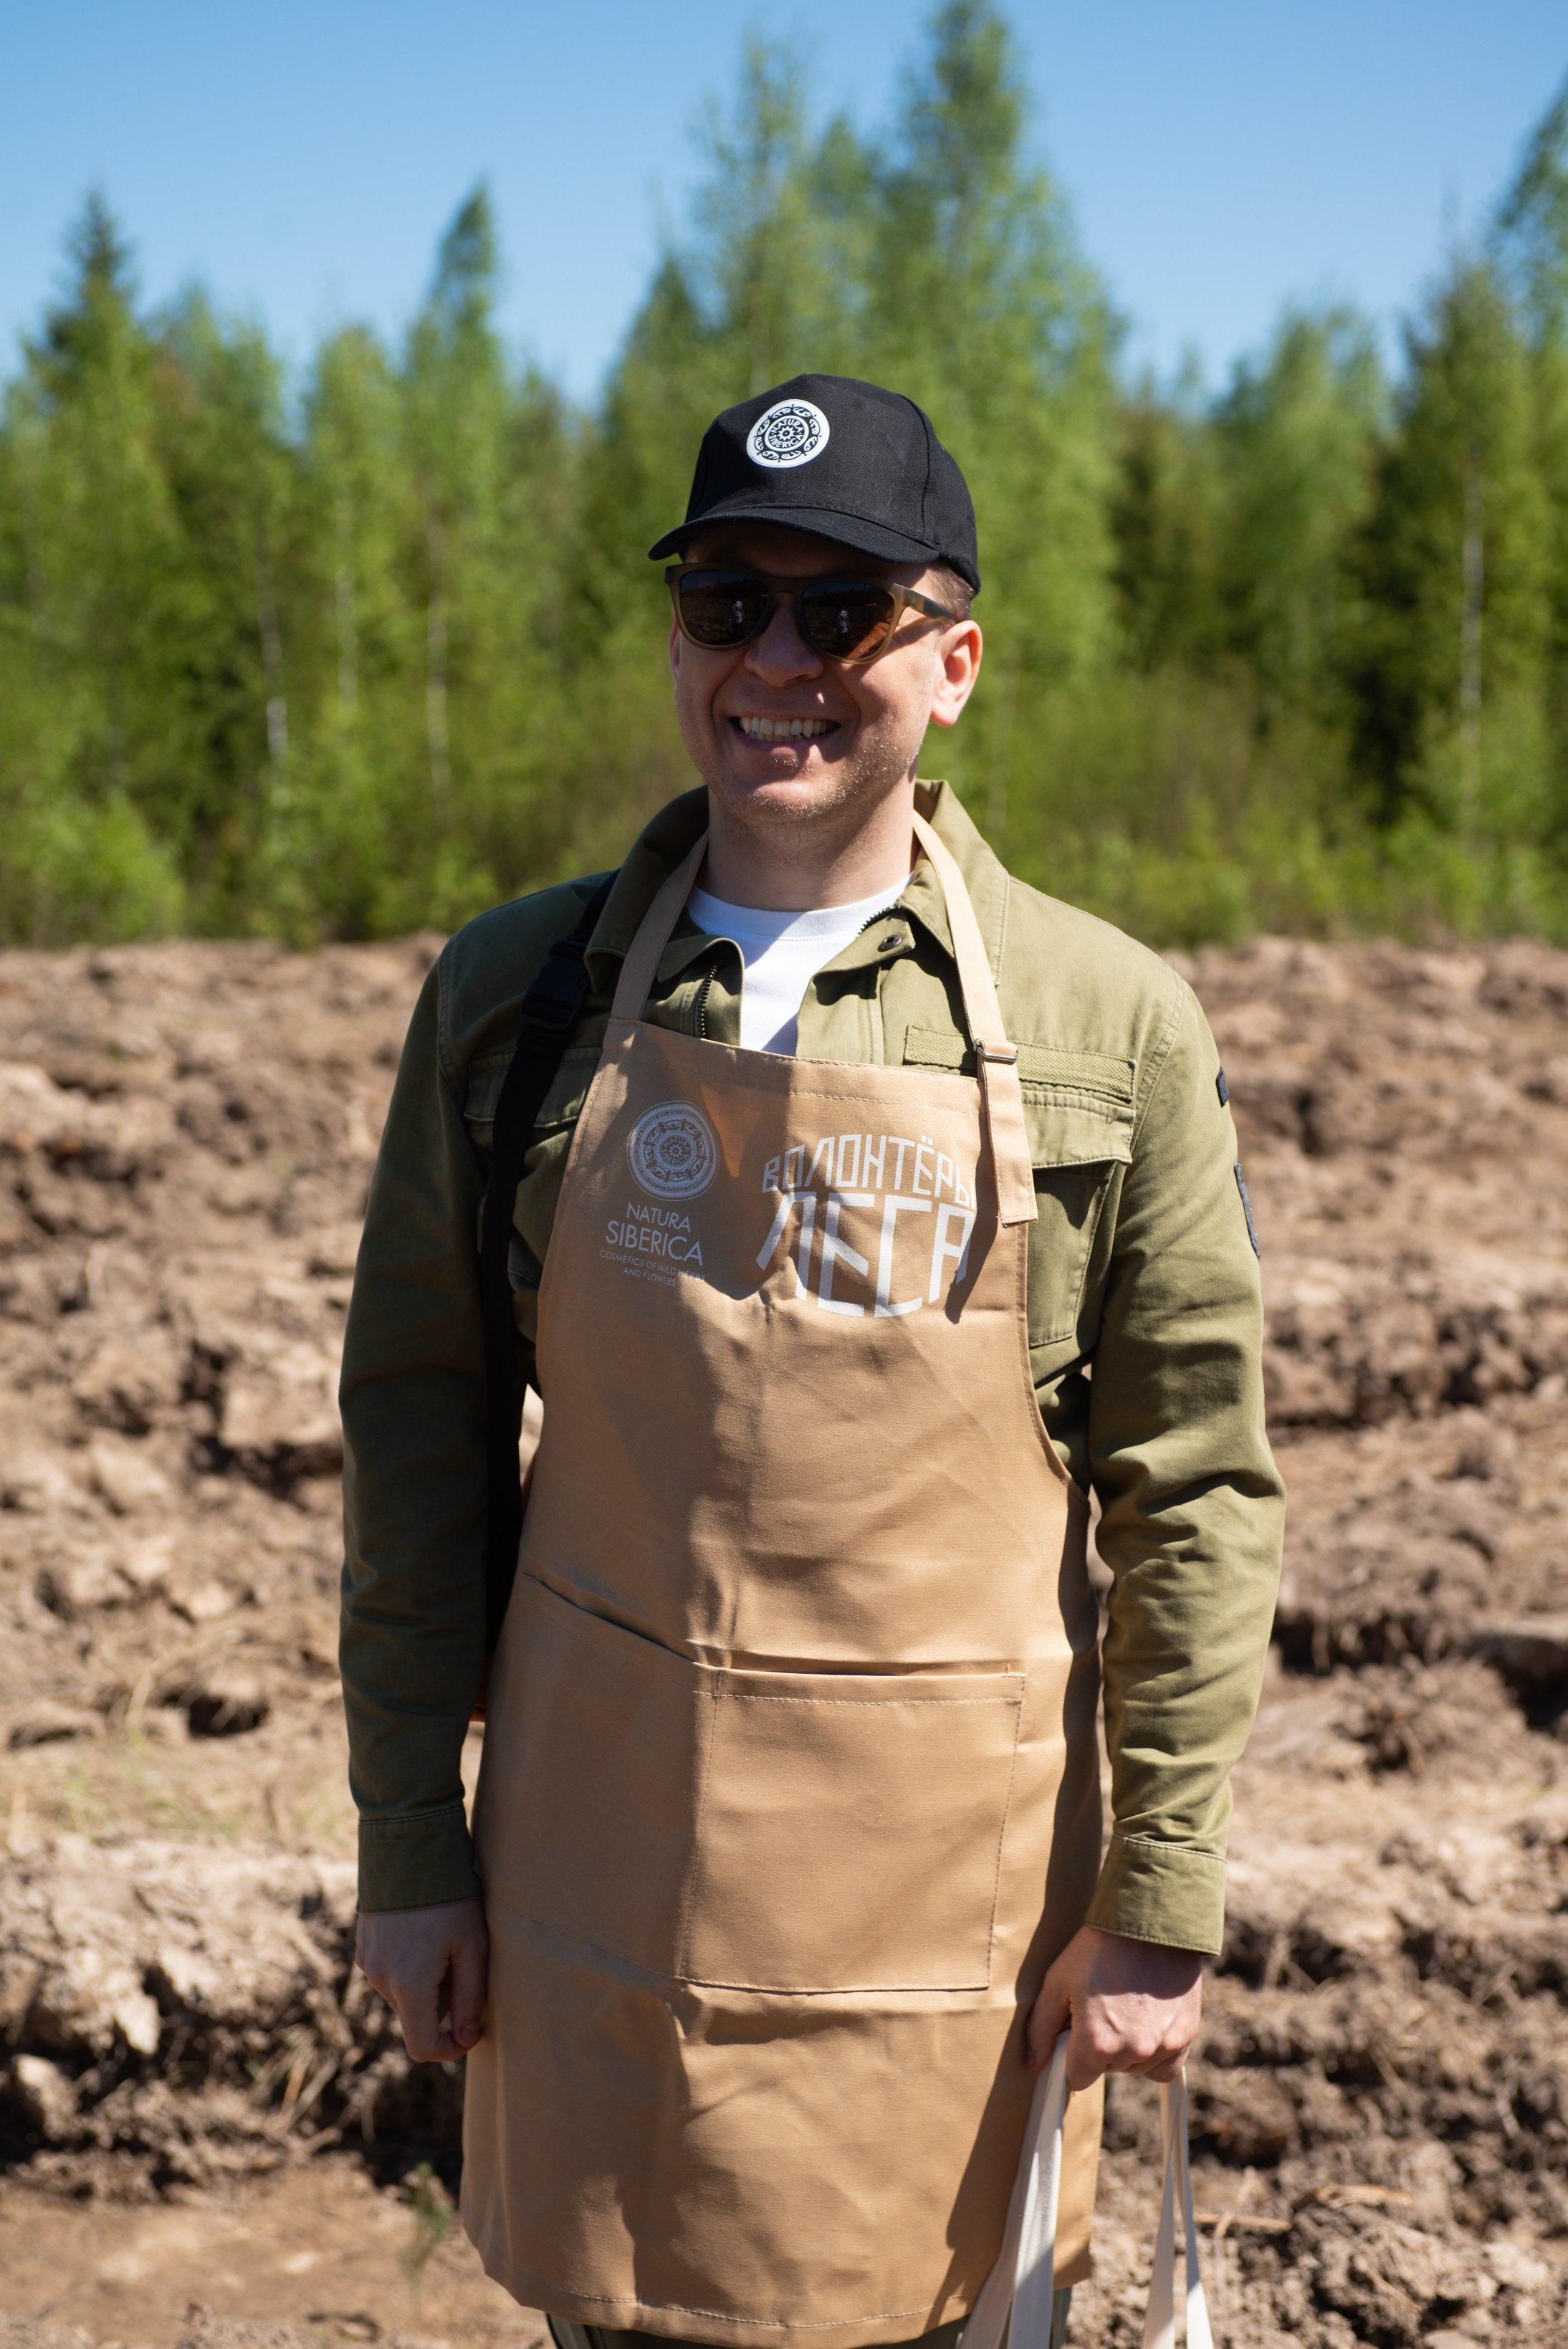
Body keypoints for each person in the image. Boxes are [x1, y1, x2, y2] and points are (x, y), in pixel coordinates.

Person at [341, 373, 1284, 2349]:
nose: (773, 657)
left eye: (837, 609)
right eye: (722, 602)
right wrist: (414, 1848)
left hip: (944, 1950)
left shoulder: (1107, 1024)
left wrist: (1160, 1901)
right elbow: (417, 1430)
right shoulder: (518, 998)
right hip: (596, 1909)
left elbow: (1190, 1489)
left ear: (952, 663)